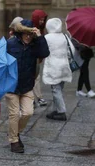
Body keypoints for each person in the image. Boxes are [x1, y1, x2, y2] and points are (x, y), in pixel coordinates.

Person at [6, 19, 50, 153]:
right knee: (14, 114)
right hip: (11, 86)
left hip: (27, 85)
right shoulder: (10, 43)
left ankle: (15, 133)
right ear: (21, 33)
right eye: (26, 33)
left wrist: (40, 37)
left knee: (28, 112)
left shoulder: (36, 45)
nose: (28, 36)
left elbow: (45, 53)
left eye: (31, 34)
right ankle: (14, 141)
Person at [43, 18, 73, 121]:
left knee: (55, 90)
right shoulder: (64, 36)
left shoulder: (47, 37)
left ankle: (61, 112)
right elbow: (70, 51)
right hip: (64, 66)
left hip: (54, 66)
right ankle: (55, 110)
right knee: (59, 89)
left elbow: (43, 51)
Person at [31, 9, 48, 107]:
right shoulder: (32, 29)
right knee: (35, 78)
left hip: (37, 58)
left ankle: (36, 97)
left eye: (43, 20)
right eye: (40, 19)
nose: (41, 21)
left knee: (36, 77)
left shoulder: (41, 29)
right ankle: (37, 97)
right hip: (32, 58)